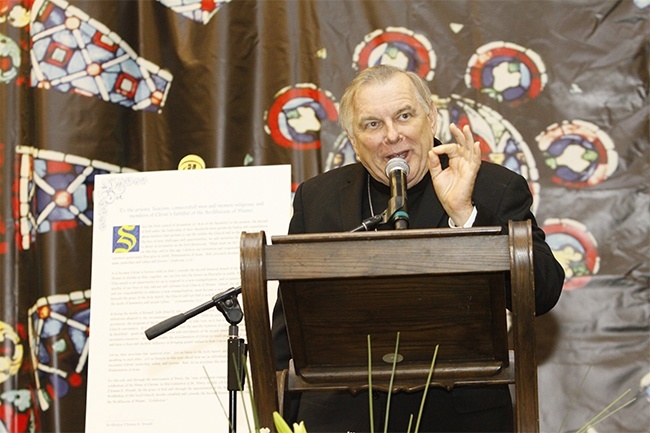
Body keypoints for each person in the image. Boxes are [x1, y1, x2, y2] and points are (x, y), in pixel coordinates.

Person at [271, 64, 565, 432]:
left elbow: (542, 293)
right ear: (352, 137)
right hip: (342, 417)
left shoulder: (493, 187)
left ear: (432, 118)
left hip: (458, 419)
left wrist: (466, 216)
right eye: (372, 124)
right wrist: (278, 418)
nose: (392, 136)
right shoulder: (318, 199)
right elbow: (287, 331)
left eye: (404, 116)